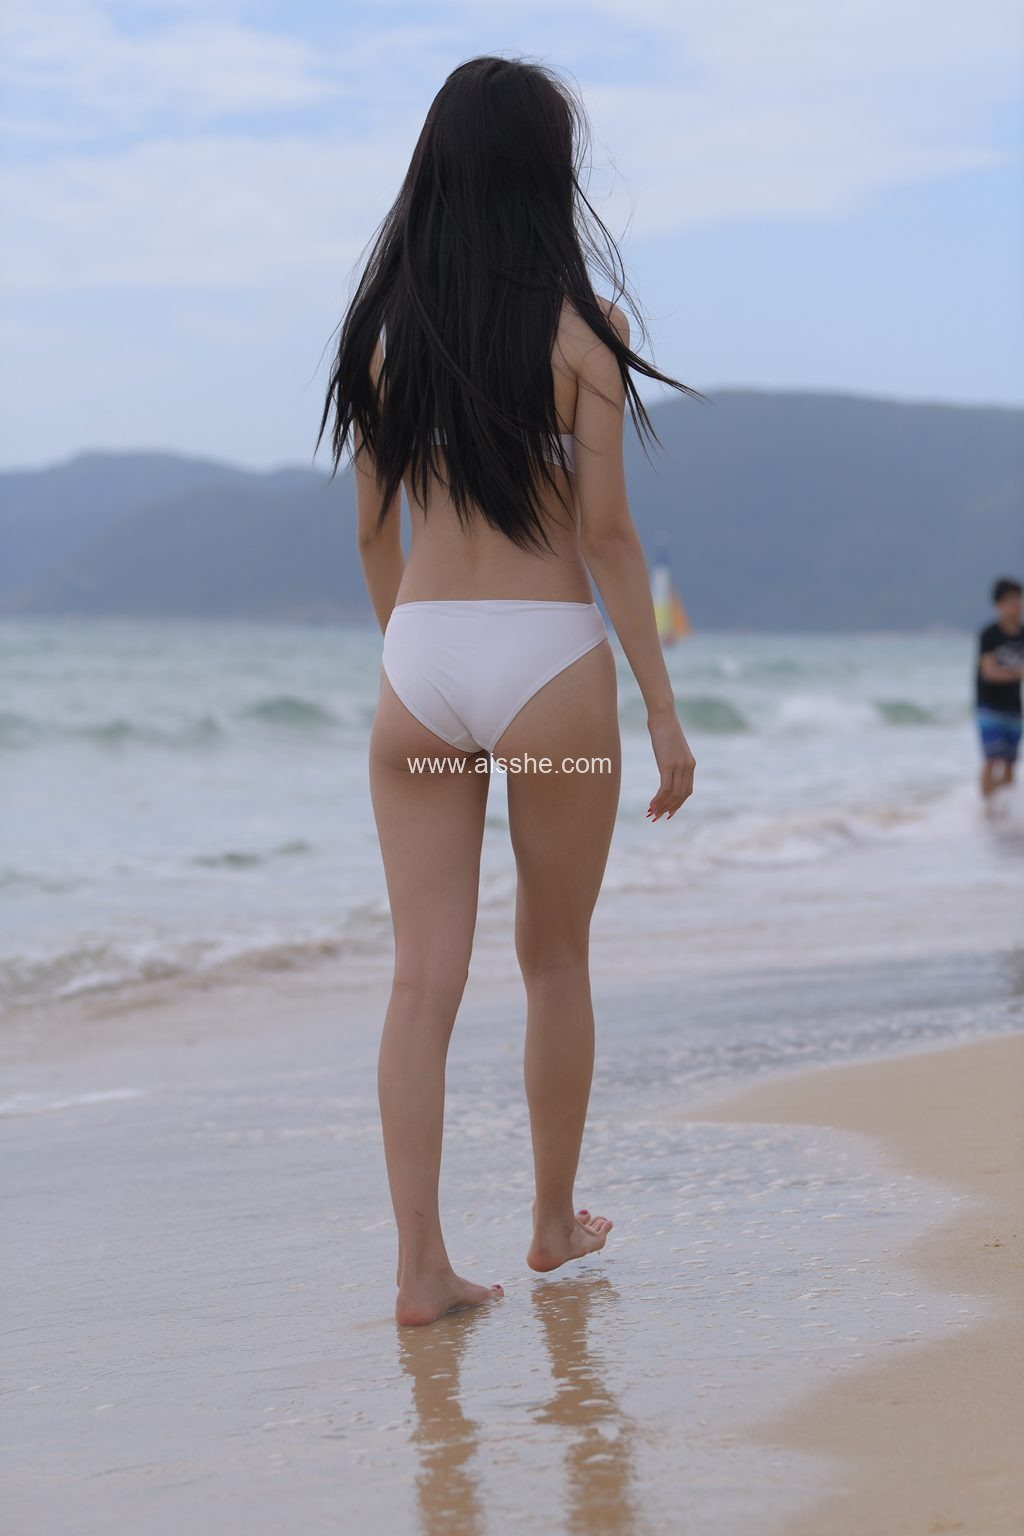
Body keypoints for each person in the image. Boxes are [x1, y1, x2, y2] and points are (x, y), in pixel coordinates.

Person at [316, 55, 701, 1327]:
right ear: (546, 172)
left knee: (421, 979)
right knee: (554, 957)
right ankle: (548, 1222)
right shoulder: (585, 329)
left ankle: (419, 1270)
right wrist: (660, 707)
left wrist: (416, 661)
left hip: (420, 669)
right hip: (548, 670)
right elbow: (607, 535)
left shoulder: (383, 339)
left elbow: (372, 534)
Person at [976, 577, 1024, 799]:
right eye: (1010, 600)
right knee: (992, 759)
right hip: (989, 705)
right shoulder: (990, 634)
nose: (1016, 605)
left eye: (1018, 599)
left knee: (1010, 762)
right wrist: (1018, 673)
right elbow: (989, 672)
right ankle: (987, 809)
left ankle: (1007, 810)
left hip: (1014, 706)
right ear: (999, 604)